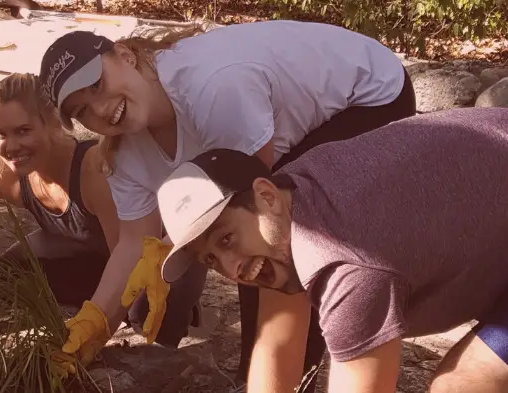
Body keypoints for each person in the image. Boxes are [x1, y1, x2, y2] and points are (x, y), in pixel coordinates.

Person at [38, 19, 417, 389]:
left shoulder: (212, 88)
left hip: (369, 96)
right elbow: (133, 244)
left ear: (125, 56)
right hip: (289, 128)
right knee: (239, 245)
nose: (101, 110)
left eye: (98, 85)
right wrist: (93, 328)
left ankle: (286, 372)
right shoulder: (122, 154)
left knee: (271, 237)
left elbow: (255, 220)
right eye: (82, 111)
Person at [154, 107, 508, 393]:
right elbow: (278, 346)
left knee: (466, 385)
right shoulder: (286, 205)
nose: (232, 270)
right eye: (211, 260)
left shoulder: (345, 265)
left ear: (265, 195)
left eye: (226, 239)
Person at [0, 73, 206, 352]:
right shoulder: (0, 169)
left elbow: (127, 267)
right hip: (86, 254)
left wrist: (85, 343)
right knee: (8, 277)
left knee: (144, 311)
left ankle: (182, 304)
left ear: (53, 123)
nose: (12, 145)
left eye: (23, 130)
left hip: (152, 255)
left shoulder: (94, 172)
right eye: (1, 134)